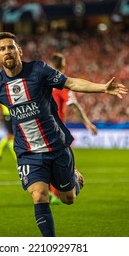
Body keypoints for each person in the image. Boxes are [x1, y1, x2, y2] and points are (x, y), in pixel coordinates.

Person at [0, 32, 128, 236]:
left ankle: (73, 176)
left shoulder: (38, 70)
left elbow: (71, 82)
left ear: (19, 51)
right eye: (2, 49)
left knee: (68, 198)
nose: (7, 51)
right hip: (28, 152)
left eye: (11, 47)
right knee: (39, 195)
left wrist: (102, 88)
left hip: (56, 146)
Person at [48, 52, 98, 205]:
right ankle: (56, 191)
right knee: (52, 161)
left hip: (46, 130)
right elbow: (75, 106)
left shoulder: (44, 82)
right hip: (56, 131)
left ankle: (58, 191)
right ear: (63, 65)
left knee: (52, 161)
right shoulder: (62, 84)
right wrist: (88, 123)